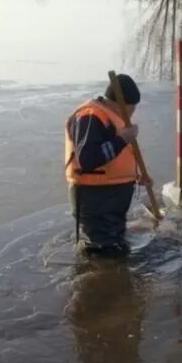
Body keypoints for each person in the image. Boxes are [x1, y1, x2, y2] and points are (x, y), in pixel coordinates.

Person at [64, 74, 151, 256]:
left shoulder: (111, 118)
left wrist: (137, 176)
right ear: (119, 104)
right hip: (95, 199)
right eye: (131, 109)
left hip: (112, 200)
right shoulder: (90, 117)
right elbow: (88, 159)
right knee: (102, 252)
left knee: (115, 247)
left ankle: (117, 281)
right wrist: (123, 139)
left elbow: (117, 159)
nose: (132, 114)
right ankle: (98, 281)